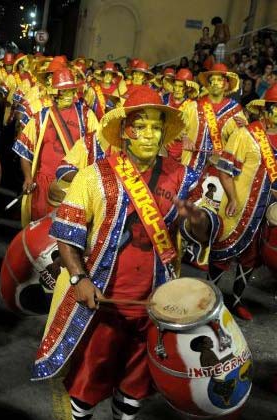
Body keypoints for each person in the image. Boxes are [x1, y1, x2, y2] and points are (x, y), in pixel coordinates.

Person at [34, 86, 218, 420]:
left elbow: (202, 230)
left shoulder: (182, 176)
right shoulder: (94, 176)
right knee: (89, 382)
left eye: (156, 127)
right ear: (125, 132)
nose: (149, 135)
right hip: (103, 303)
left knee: (135, 385)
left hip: (156, 304)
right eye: (141, 126)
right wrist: (78, 278)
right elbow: (65, 234)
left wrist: (198, 219)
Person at [210, 85, 277, 320]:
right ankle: (210, 302)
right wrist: (234, 198)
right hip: (238, 209)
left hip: (264, 213)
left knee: (250, 260)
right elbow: (225, 171)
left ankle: (236, 301)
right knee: (222, 253)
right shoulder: (245, 135)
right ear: (266, 111)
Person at [14, 67, 99, 226]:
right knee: (39, 229)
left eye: (71, 91)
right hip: (42, 183)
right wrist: (27, 177)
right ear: (55, 92)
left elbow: (98, 147)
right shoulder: (41, 116)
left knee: (68, 231)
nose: (69, 95)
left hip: (72, 184)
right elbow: (25, 149)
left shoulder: (86, 116)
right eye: (63, 91)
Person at [186, 63, 246, 174]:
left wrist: (245, 130)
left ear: (226, 85)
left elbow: (242, 143)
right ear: (208, 85)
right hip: (188, 165)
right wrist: (185, 138)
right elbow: (176, 130)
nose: (215, 83)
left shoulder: (235, 110)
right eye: (212, 80)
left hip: (218, 170)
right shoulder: (192, 106)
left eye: (219, 80)